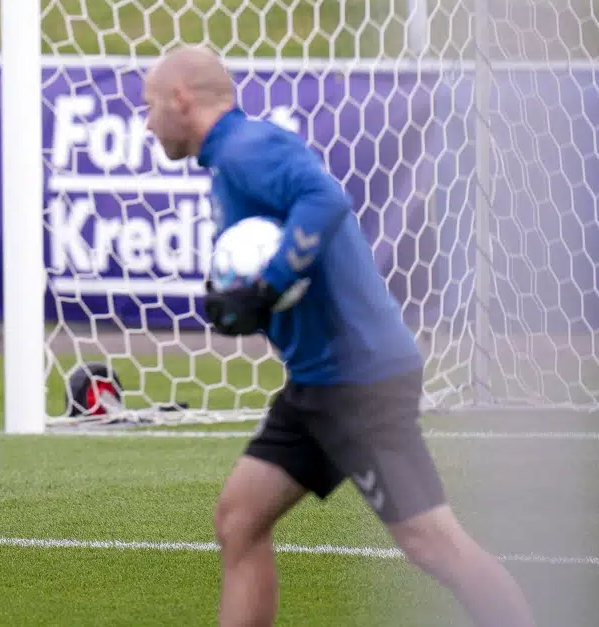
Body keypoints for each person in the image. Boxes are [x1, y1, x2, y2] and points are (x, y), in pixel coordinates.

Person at [141, 45, 534, 627]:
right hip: (318, 382)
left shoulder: (248, 148)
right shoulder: (233, 156)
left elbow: (325, 200)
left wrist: (270, 284)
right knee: (239, 519)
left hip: (360, 382)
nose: (147, 123)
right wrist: (248, 303)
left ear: (180, 100)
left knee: (433, 543)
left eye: (150, 106)